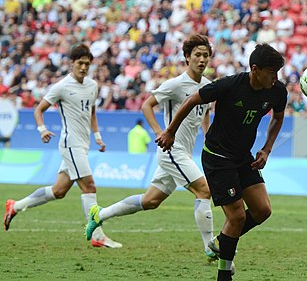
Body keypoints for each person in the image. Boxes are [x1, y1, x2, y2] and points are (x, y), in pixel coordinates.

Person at [156, 43, 286, 281]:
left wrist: (267, 149)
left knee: (263, 210)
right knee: (236, 217)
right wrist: (170, 131)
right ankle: (224, 275)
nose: (275, 78)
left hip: (243, 157)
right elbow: (192, 100)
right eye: (271, 72)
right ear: (255, 69)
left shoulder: (277, 91)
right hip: (218, 157)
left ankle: (221, 241)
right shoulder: (230, 85)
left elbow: (278, 117)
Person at [85, 34, 216, 259]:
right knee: (204, 190)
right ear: (187, 57)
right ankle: (210, 247)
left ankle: (100, 214)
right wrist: (160, 132)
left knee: (150, 201)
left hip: (184, 151)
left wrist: (207, 134)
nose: (202, 60)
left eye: (206, 55)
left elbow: (205, 111)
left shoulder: (207, 86)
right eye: (197, 55)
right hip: (171, 151)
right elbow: (147, 105)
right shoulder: (175, 84)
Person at [3, 44, 122, 248]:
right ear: (71, 63)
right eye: (80, 63)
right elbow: (38, 110)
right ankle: (98, 235)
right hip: (70, 144)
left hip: (82, 145)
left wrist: (98, 137)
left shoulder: (92, 85)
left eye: (87, 64)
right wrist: (42, 130)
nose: (83, 67)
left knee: (59, 191)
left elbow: (92, 113)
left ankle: (15, 206)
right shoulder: (62, 87)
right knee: (89, 186)